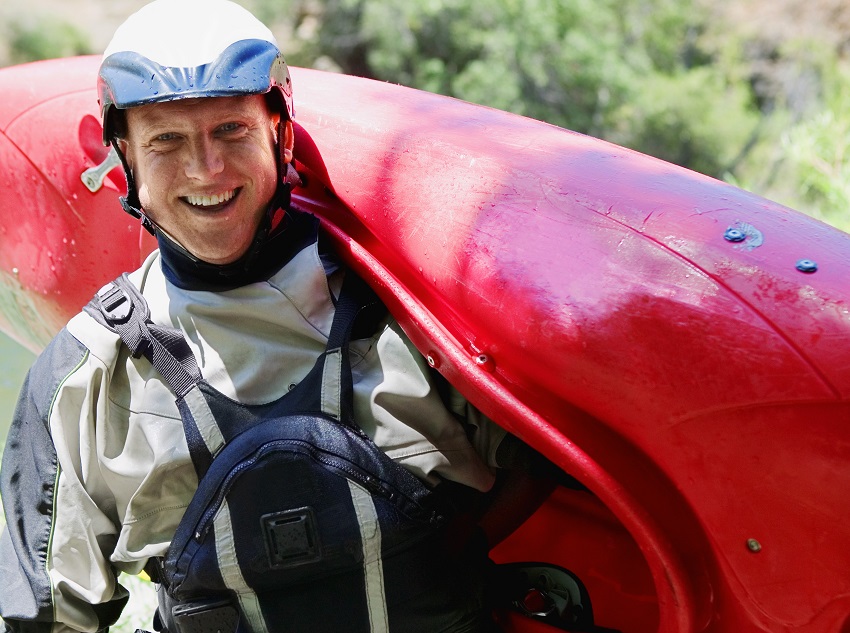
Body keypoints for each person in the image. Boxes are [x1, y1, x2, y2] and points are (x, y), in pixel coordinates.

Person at [0, 2, 559, 632]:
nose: (206, 169)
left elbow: (550, 463)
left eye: (232, 130)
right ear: (122, 155)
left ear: (281, 135)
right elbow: (43, 620)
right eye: (166, 140)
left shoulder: (414, 314)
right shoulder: (87, 377)